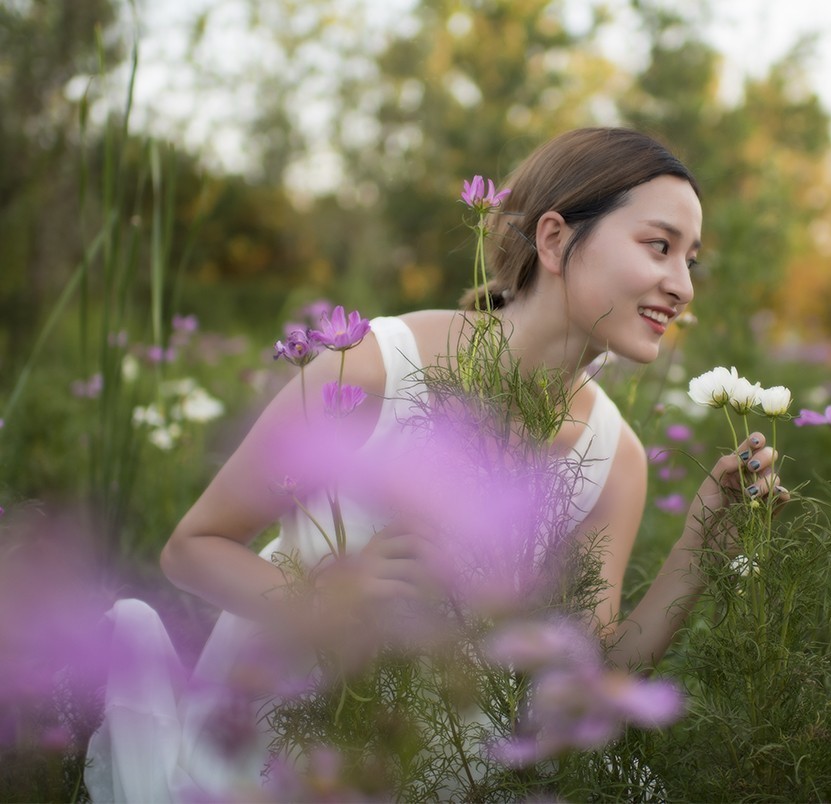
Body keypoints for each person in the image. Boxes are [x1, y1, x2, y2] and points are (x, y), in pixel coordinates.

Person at [85, 127, 786, 801]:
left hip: (451, 770)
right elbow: (191, 549)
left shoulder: (616, 457)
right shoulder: (370, 369)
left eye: (689, 260)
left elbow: (591, 673)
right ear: (554, 238)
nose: (682, 286)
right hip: (282, 752)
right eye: (658, 246)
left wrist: (706, 539)